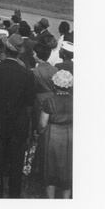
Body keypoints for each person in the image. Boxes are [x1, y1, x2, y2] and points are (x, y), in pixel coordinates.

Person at [0, 34, 36, 198]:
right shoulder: (27, 74)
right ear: (19, 53)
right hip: (18, 125)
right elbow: (29, 103)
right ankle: (14, 195)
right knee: (16, 163)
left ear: (5, 50)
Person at [35, 70, 73, 199]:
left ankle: (51, 200)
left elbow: (42, 124)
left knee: (50, 168)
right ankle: (66, 199)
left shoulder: (49, 101)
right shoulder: (77, 100)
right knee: (68, 167)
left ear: (55, 84)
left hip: (53, 136)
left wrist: (38, 133)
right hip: (71, 135)